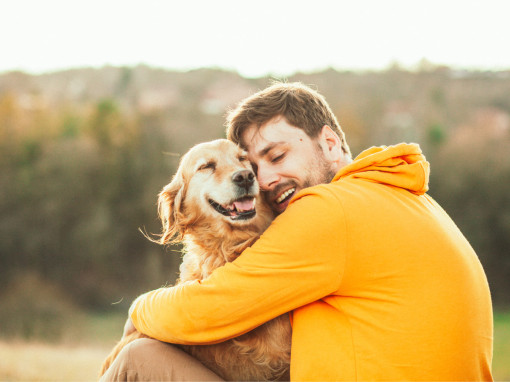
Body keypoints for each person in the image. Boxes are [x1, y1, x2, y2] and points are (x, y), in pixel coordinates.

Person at [102, 82, 493, 381]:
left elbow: (208, 310)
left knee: (136, 359)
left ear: (329, 142)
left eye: (277, 156)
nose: (263, 179)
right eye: (256, 166)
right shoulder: (405, 198)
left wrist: (138, 309)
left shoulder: (330, 209)